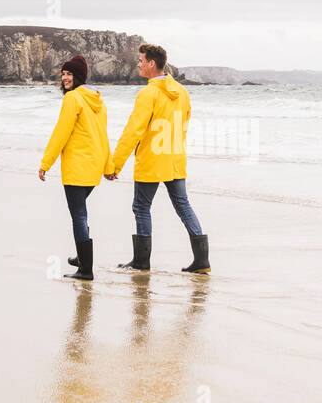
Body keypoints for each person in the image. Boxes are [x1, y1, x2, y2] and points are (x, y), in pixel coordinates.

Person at [104, 43, 210, 273]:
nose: (138, 64)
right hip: (175, 158)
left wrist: (115, 164)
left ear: (152, 64)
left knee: (141, 207)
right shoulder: (182, 92)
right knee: (183, 206)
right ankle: (202, 261)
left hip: (152, 159)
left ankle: (142, 261)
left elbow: (133, 131)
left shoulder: (148, 93)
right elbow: (184, 125)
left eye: (141, 60)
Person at [39, 55, 110, 281]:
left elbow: (61, 132)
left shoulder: (73, 99)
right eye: (64, 74)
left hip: (78, 166)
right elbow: (103, 136)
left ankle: (85, 270)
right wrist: (108, 165)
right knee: (81, 213)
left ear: (79, 76)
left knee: (78, 215)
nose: (65, 77)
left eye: (70, 74)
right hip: (93, 166)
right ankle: (82, 259)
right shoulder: (97, 100)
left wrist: (45, 164)